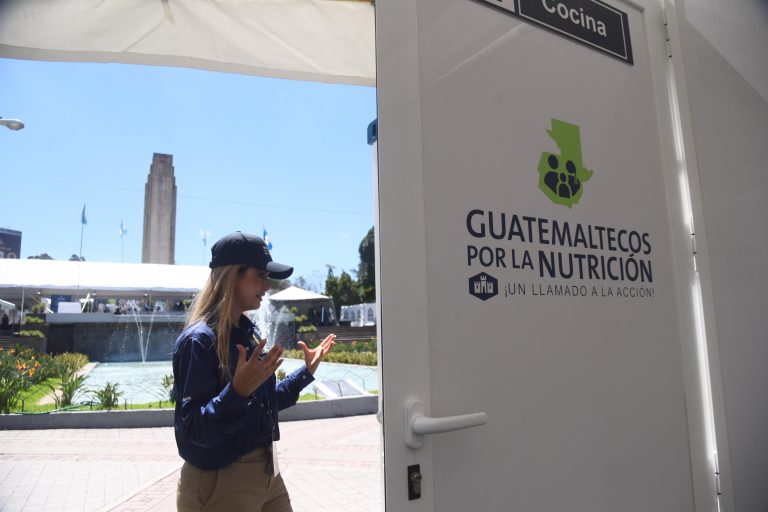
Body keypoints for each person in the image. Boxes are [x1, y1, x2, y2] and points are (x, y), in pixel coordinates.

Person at [173, 231, 336, 512]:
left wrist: (305, 373)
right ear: (233, 275)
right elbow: (194, 429)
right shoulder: (199, 341)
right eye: (260, 275)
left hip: (266, 471)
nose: (267, 284)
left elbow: (263, 404)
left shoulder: (247, 335)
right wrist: (237, 392)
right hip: (221, 479)